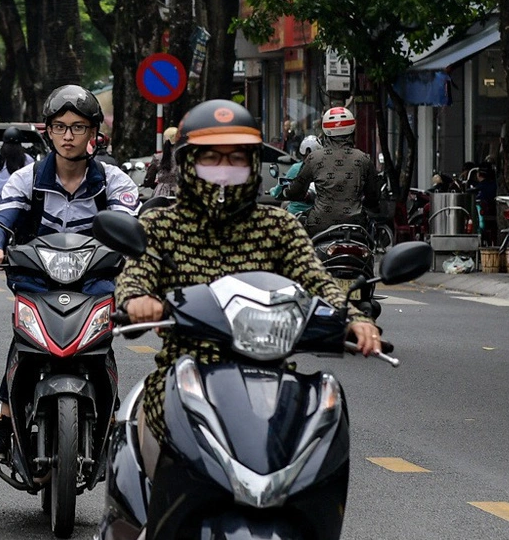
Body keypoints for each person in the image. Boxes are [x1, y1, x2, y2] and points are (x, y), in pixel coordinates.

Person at [115, 100, 380, 445]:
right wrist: (136, 300)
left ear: (252, 164)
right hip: (185, 377)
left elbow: (316, 278)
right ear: (188, 164)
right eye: (211, 158)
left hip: (270, 379)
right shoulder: (161, 225)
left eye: (236, 158)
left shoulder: (278, 226)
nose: (224, 170)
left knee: (320, 428)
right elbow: (136, 274)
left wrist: (355, 318)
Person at [0, 85, 140, 457]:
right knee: (26, 343)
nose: (68, 136)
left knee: (101, 344)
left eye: (78, 127)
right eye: (60, 126)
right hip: (36, 280)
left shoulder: (113, 181)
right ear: (48, 131)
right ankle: (4, 418)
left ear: (94, 133)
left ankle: (111, 418)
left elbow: (131, 225)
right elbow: (0, 221)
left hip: (96, 280)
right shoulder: (26, 178)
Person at [286, 105, 376, 236]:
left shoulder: (314, 158)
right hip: (356, 226)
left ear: (326, 132)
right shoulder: (363, 159)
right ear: (352, 131)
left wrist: (289, 192)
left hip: (319, 225)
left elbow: (296, 191)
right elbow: (373, 196)